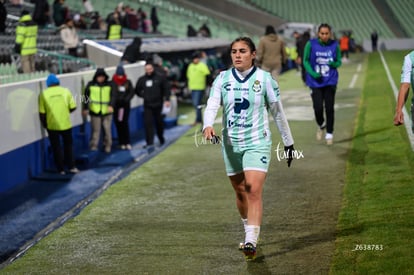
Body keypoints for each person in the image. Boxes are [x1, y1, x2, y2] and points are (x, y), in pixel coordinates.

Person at [202, 37, 295, 261]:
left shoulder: (264, 79)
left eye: (243, 51)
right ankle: (248, 229)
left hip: (257, 142)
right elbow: (213, 103)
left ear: (253, 54)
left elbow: (277, 112)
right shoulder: (222, 78)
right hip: (231, 143)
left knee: (252, 188)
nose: (237, 55)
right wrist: (207, 124)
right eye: (234, 51)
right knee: (240, 190)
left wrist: (288, 141)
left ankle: (251, 240)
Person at [303, 23, 342, 145]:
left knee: (330, 108)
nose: (324, 36)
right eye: (322, 33)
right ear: (318, 34)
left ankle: (329, 133)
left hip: (330, 80)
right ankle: (321, 124)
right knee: (318, 107)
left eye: (327, 33)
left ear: (330, 34)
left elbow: (339, 61)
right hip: (315, 82)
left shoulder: (335, 45)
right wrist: (312, 73)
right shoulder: (311, 44)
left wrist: (333, 64)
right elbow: (305, 60)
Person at [38, 74, 79, 175]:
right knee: (68, 146)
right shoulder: (66, 91)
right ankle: (71, 167)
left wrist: (45, 125)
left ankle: (60, 169)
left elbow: (42, 113)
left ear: (48, 84)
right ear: (58, 82)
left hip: (52, 125)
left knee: (56, 147)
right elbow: (73, 107)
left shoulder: (43, 94)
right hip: (66, 124)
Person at [135, 62, 170, 148]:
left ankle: (161, 138)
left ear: (153, 68)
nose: (149, 71)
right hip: (147, 105)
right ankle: (149, 142)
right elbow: (137, 90)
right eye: (147, 70)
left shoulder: (160, 77)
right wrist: (144, 96)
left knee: (159, 123)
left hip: (158, 104)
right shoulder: (142, 79)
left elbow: (166, 88)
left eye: (150, 69)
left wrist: (167, 99)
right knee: (148, 124)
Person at [83, 68, 115, 153]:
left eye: (102, 77)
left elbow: (113, 96)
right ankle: (94, 146)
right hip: (95, 111)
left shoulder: (110, 85)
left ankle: (108, 145)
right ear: (96, 77)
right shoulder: (90, 85)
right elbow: (86, 97)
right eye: (99, 77)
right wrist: (85, 108)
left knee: (107, 129)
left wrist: (111, 105)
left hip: (107, 111)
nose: (101, 78)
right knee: (96, 130)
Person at [111, 65, 135, 150]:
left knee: (124, 123)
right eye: (119, 75)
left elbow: (131, 92)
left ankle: (127, 141)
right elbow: (112, 94)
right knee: (118, 124)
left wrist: (126, 99)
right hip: (116, 107)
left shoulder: (127, 82)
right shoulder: (113, 83)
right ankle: (121, 142)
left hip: (125, 107)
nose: (120, 77)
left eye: (121, 75)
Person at [186, 51, 211, 126]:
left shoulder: (202, 65)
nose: (195, 60)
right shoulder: (190, 66)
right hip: (192, 88)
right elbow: (188, 76)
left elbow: (208, 75)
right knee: (196, 104)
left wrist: (208, 85)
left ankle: (199, 120)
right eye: (194, 59)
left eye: (197, 58)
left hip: (200, 88)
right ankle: (199, 119)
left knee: (196, 104)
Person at [393, 50, 414, 133]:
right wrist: (399, 110)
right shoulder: (409, 58)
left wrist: (398, 110)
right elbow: (405, 85)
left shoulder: (410, 58)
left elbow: (405, 86)